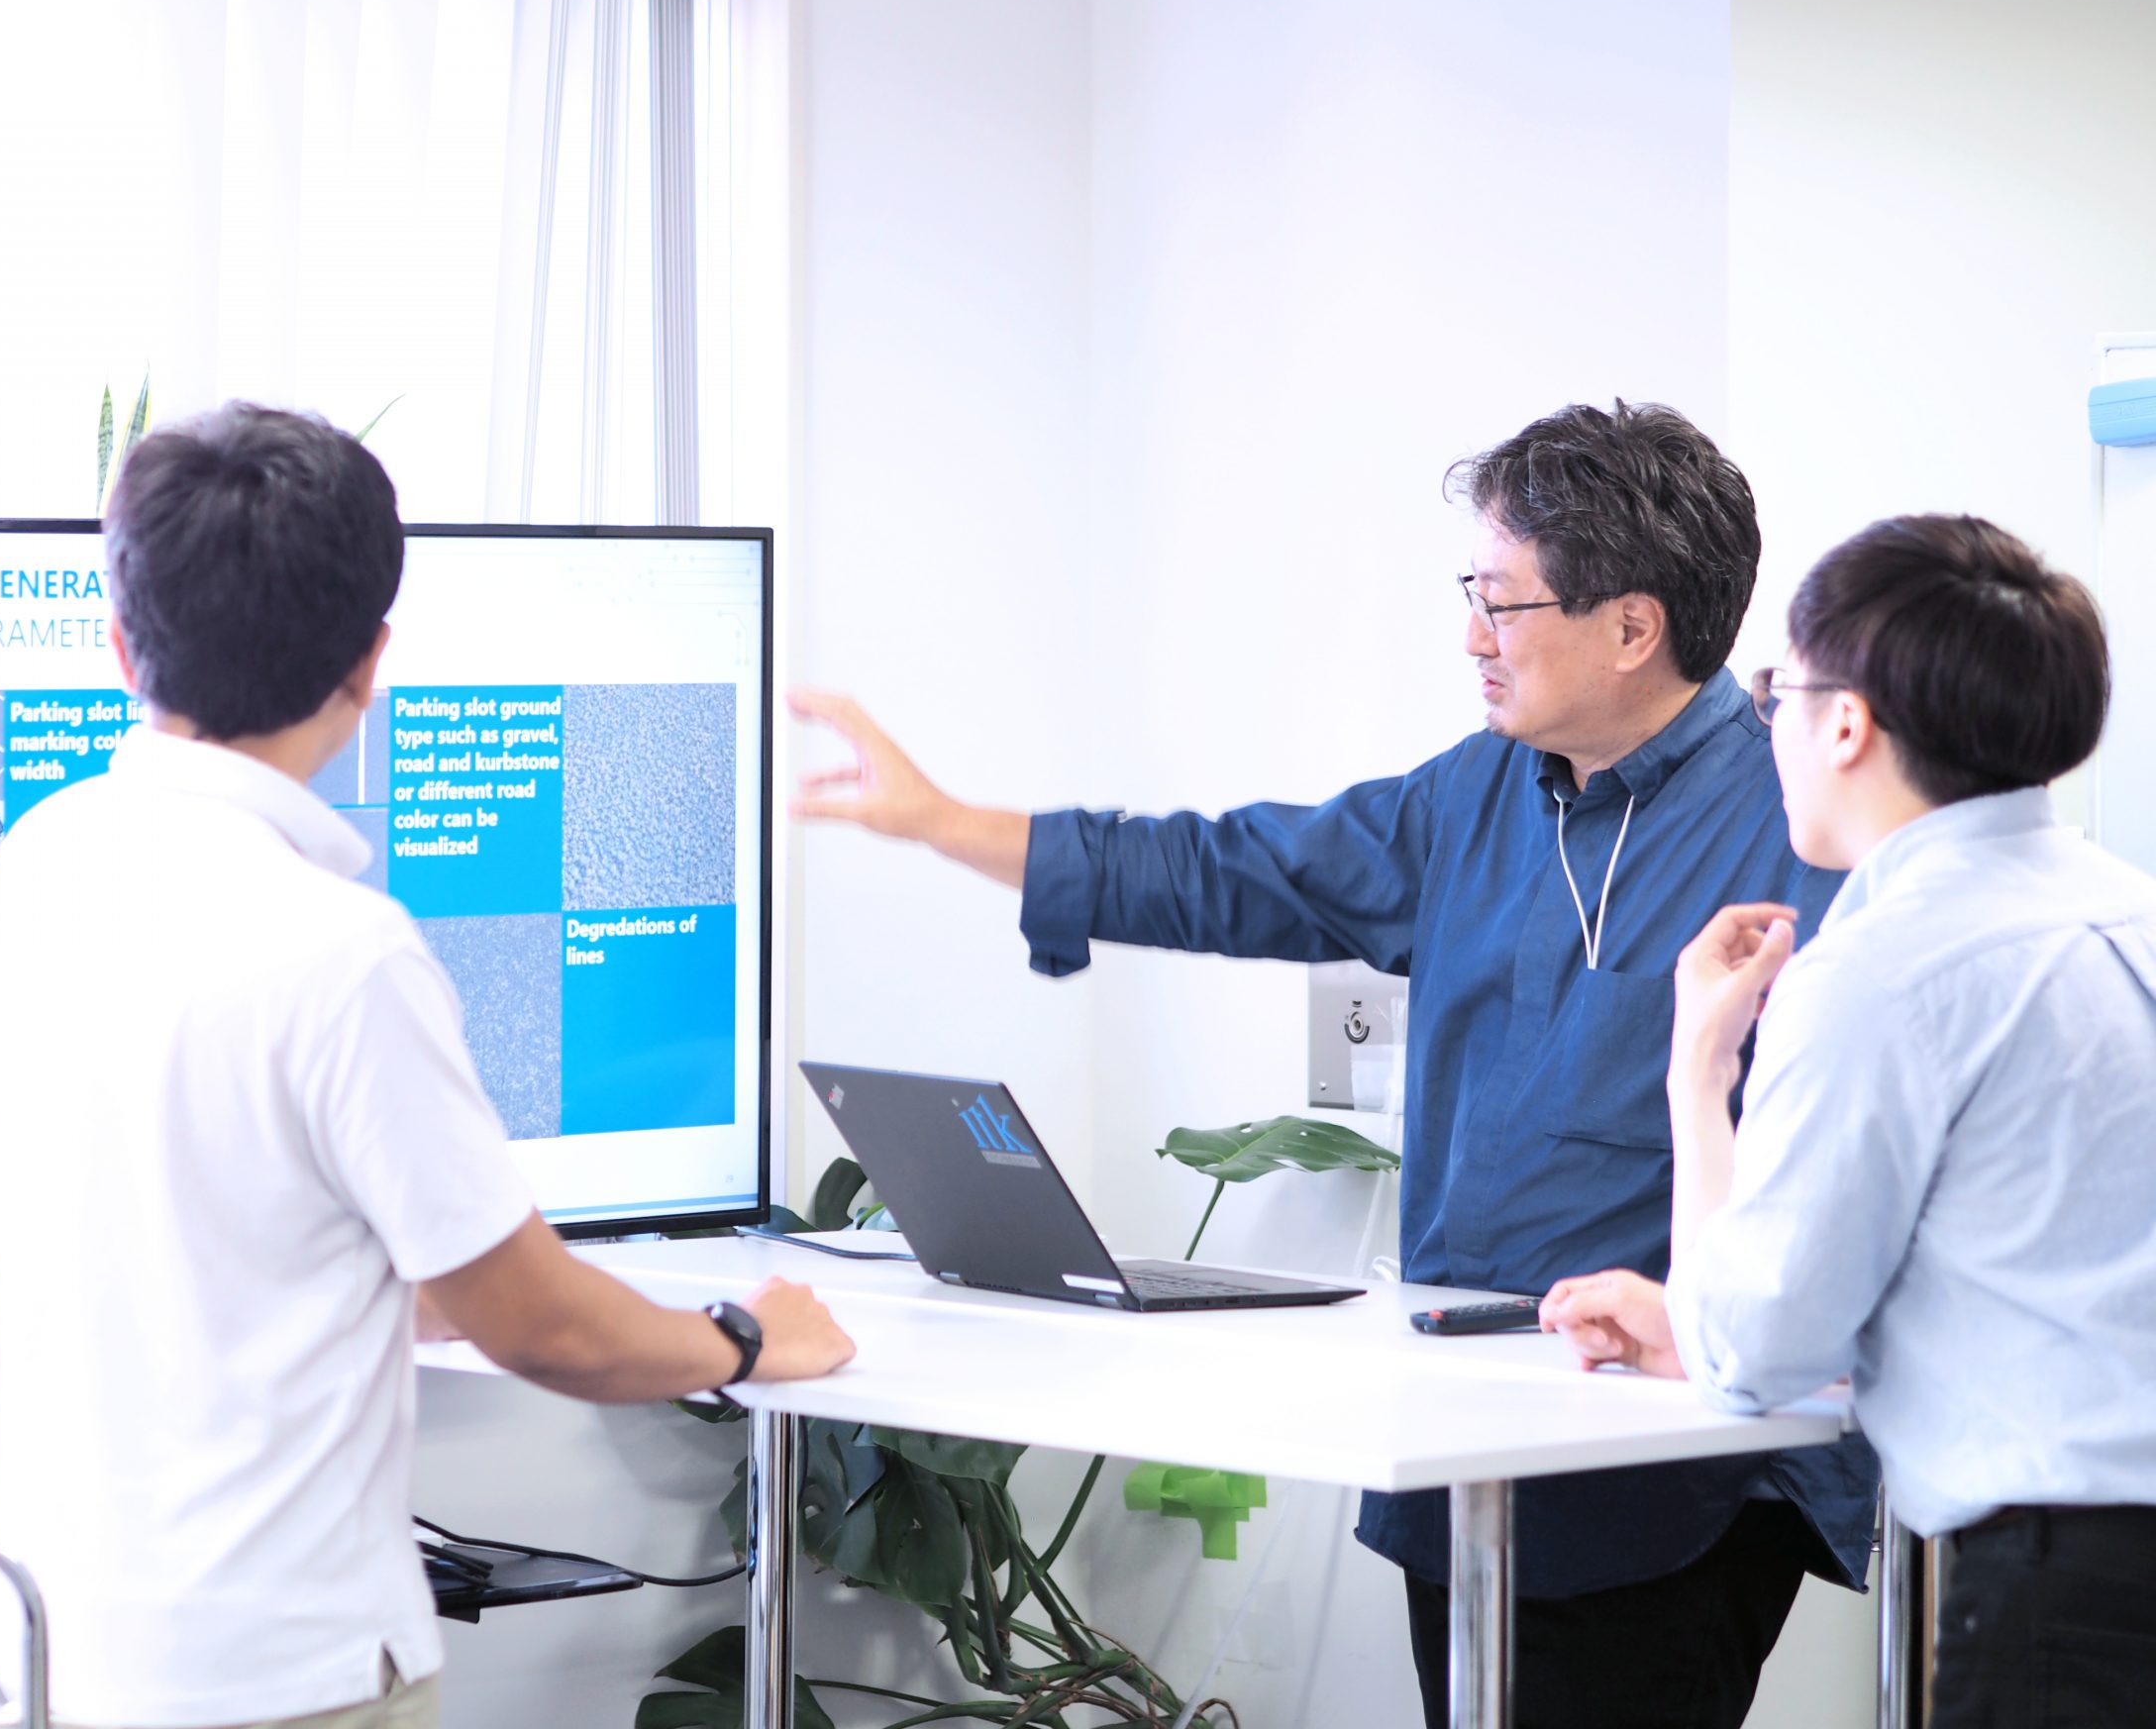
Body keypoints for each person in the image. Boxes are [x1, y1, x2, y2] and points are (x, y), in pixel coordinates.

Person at [793, 399, 1879, 1729]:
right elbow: (1225, 871)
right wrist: (941, 822)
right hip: (1458, 1442)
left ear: (1633, 627)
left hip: (1667, 1478)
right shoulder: (1473, 795)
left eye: (1502, 602)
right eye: (1468, 594)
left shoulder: (1801, 824)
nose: (1471, 635)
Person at [0, 405, 854, 1729]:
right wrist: (741, 1339)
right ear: (371, 661)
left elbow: (211, 1215)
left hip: (55, 1642)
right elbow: (534, 1324)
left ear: (119, 639)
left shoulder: (37, 866)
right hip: (275, 1676)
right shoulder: (343, 954)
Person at [1541, 513, 2156, 1729]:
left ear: (1843, 720)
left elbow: (1752, 1358)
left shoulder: (1880, 966)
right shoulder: (2126, 911)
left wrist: (1695, 1069)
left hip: (2069, 1596)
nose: (1765, 722)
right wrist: (1697, 1320)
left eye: (1775, 688)